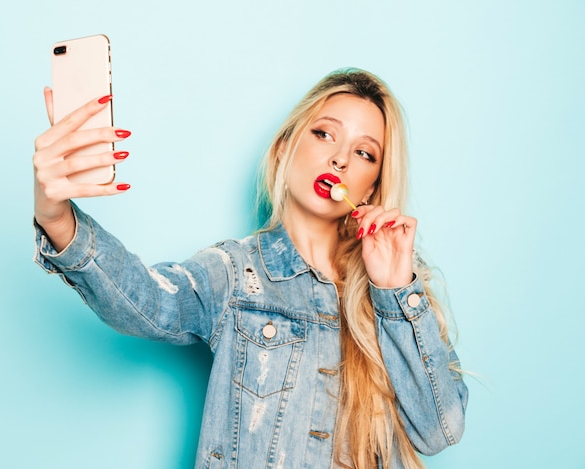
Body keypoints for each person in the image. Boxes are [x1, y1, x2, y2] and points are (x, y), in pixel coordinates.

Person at [33, 68, 468, 469]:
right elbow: (145, 301)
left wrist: (394, 291)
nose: (340, 160)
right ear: (284, 149)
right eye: (323, 134)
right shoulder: (235, 272)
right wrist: (57, 219)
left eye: (363, 153)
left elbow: (438, 431)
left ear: (371, 185)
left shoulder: (399, 287)